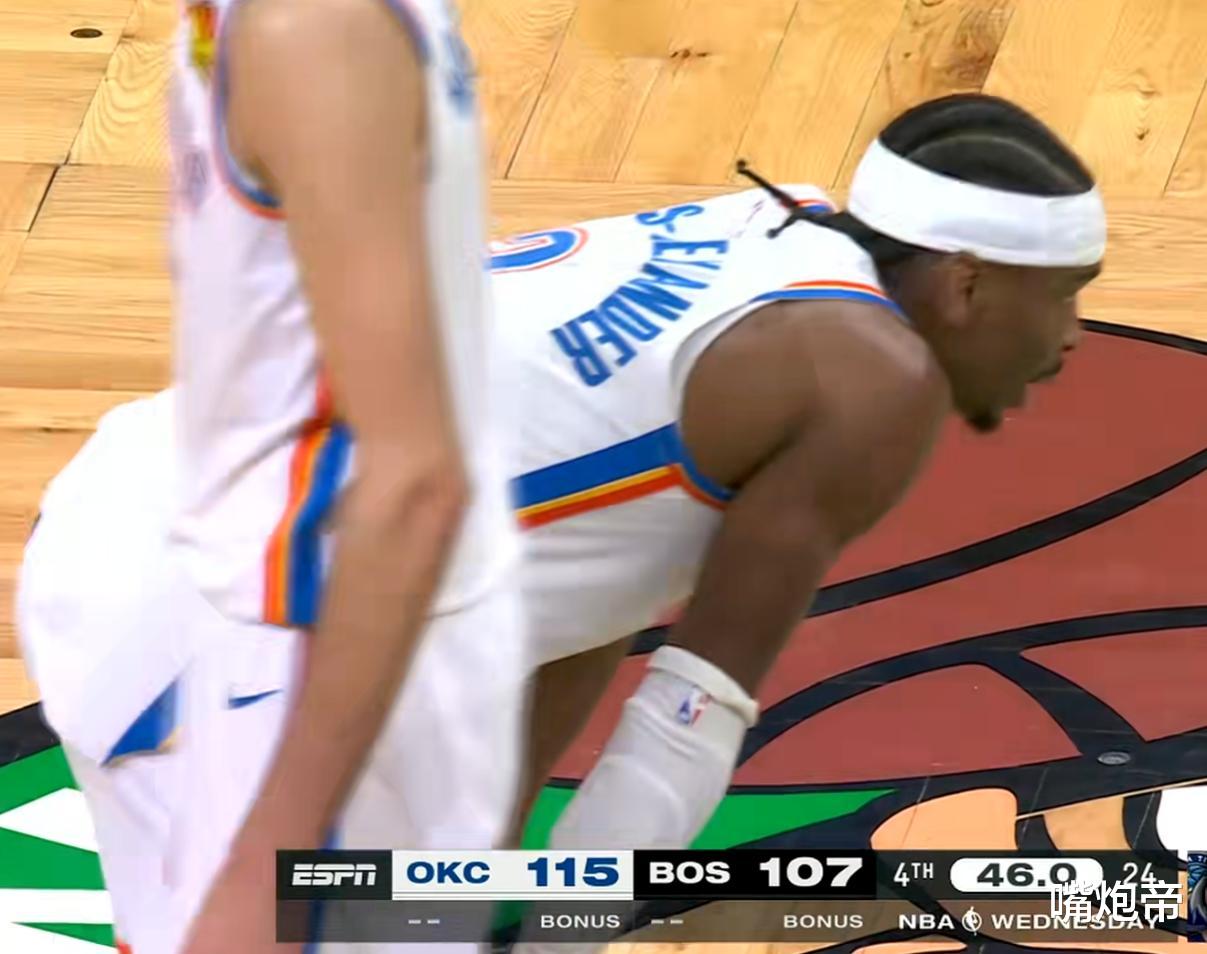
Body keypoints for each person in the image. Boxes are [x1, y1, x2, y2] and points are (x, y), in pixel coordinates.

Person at [20, 92, 1104, 947]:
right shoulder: (871, 381)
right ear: (965, 285)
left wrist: (476, 886)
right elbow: (689, 717)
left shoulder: (771, 247)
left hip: (146, 502)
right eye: (1062, 292)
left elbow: (586, 603)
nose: (1070, 337)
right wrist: (564, 933)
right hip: (206, 613)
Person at [17, 0, 525, 951]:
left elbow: (417, 479)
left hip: (298, 645)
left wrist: (268, 865)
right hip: (250, 606)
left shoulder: (311, 34)